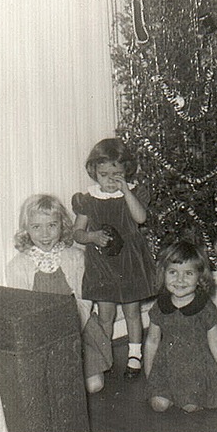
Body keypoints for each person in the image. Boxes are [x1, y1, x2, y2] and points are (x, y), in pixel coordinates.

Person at [6, 194, 112, 394]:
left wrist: (75, 324)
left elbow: (84, 298)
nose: (45, 234)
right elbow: (22, 307)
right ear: (26, 229)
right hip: (42, 332)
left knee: (94, 385)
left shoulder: (75, 258)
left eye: (52, 225)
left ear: (62, 225)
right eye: (36, 227)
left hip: (76, 326)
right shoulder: (18, 265)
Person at [71, 138, 156, 379]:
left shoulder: (133, 193)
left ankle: (135, 355)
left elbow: (140, 218)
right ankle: (104, 355)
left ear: (126, 171)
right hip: (102, 263)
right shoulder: (89, 199)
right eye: (104, 174)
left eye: (116, 174)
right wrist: (92, 236)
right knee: (105, 315)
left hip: (129, 261)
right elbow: (77, 233)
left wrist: (126, 191)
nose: (110, 180)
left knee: (132, 312)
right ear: (94, 172)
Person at [143, 240, 217, 413]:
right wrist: (150, 376)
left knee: (190, 406)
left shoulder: (204, 307)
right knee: (158, 405)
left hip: (197, 368)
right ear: (163, 273)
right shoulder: (161, 305)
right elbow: (152, 341)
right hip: (167, 366)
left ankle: (187, 397)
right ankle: (170, 394)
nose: (180, 279)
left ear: (199, 278)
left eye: (188, 273)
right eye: (173, 272)